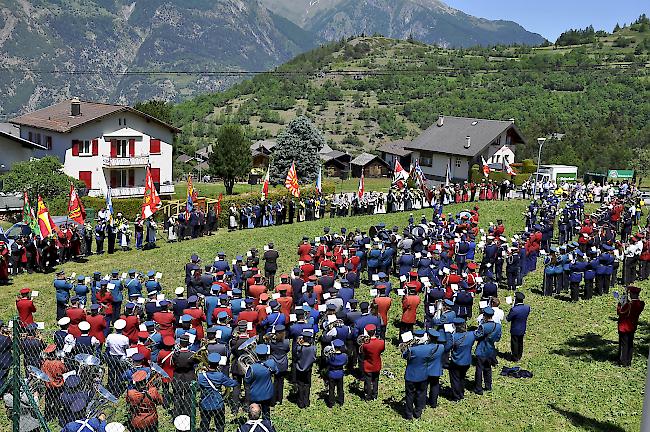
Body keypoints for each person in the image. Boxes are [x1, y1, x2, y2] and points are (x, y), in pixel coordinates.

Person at [197, 353, 237, 432]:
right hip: (218, 403)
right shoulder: (220, 376)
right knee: (220, 425)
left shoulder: (201, 376)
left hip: (205, 404)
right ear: (218, 364)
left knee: (205, 423)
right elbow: (233, 383)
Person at [244, 344, 278, 419]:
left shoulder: (253, 367)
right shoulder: (271, 363)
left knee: (254, 414)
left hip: (255, 395)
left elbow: (247, 380)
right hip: (267, 393)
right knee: (266, 412)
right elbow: (277, 372)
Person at [473, 307, 502, 395]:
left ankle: (478, 388)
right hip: (491, 350)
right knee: (488, 368)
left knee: (479, 369)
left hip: (482, 349)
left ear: (484, 316)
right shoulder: (498, 326)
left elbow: (477, 336)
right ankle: (488, 385)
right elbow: (498, 338)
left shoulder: (483, 326)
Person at [402, 330, 429, 420]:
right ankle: (418, 412)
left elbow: (404, 355)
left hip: (411, 375)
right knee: (420, 394)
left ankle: (408, 414)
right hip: (423, 375)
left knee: (409, 395)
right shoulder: (428, 348)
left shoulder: (411, 349)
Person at [617, 285, 645, 367]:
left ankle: (623, 361)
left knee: (623, 345)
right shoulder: (641, 304)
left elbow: (620, 312)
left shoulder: (629, 305)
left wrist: (620, 304)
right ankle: (629, 361)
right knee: (630, 344)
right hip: (633, 326)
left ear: (632, 294)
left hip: (624, 327)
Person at [448, 318, 475, 402]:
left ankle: (456, 396)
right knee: (462, 378)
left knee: (455, 379)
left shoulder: (453, 337)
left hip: (456, 361)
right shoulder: (471, 335)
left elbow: (447, 347)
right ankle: (461, 393)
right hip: (467, 361)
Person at [360, 324, 384, 401]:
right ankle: (375, 395)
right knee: (376, 380)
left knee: (368, 381)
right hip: (377, 364)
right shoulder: (381, 342)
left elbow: (361, 352)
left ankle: (368, 395)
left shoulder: (366, 344)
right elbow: (382, 350)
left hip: (368, 365)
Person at [293, 329, 316, 408]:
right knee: (307, 385)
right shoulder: (313, 348)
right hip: (308, 369)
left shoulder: (299, 348)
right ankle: (306, 401)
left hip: (299, 368)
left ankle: (300, 402)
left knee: (300, 385)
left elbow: (296, 356)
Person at [506, 292, 531, 362]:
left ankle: (515, 357)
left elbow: (508, 319)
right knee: (520, 342)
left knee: (514, 343)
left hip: (515, 329)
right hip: (522, 328)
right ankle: (519, 355)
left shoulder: (514, 309)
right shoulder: (527, 308)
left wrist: (512, 308)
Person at [325, 339, 348, 408]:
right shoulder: (344, 356)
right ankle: (340, 401)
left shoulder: (330, 356)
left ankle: (331, 403)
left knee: (331, 389)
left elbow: (327, 362)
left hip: (332, 373)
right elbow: (345, 362)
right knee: (340, 388)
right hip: (340, 373)